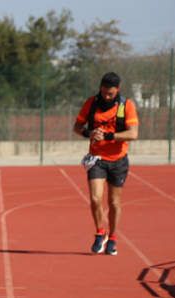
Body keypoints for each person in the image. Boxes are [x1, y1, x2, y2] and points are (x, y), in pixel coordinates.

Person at [73, 72, 139, 256]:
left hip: (118, 160)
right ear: (100, 88)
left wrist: (110, 136)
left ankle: (113, 238)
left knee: (114, 202)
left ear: (117, 90)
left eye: (110, 94)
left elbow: (133, 134)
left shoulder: (126, 105)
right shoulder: (91, 103)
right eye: (104, 92)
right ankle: (100, 232)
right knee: (95, 198)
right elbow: (77, 127)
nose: (106, 96)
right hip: (97, 159)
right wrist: (89, 133)